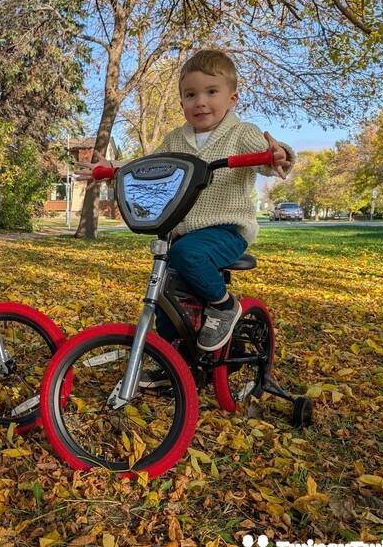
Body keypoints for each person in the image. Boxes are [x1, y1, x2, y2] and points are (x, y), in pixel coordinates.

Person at [78, 49, 292, 357]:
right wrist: (113, 170)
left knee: (186, 254)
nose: (200, 102)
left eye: (211, 92)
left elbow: (267, 155)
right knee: (165, 292)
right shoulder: (177, 139)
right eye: (191, 94)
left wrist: (277, 156)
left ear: (232, 99)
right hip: (184, 233)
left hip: (226, 230)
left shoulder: (242, 133)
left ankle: (224, 305)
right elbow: (149, 166)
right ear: (182, 103)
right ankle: (171, 359)